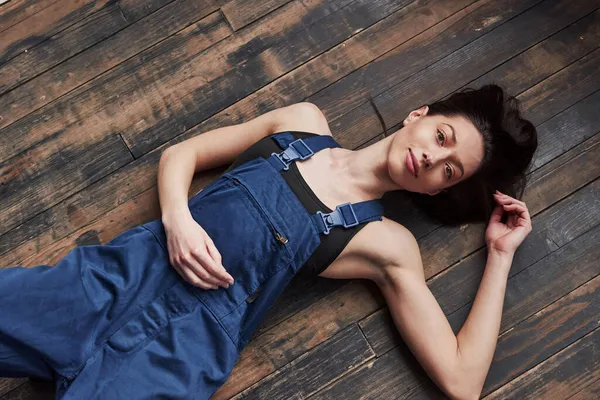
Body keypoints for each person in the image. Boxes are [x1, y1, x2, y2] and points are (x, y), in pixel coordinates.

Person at [0, 84, 537, 399]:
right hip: (121, 276)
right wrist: (178, 220)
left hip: (176, 353)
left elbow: (463, 380)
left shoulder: (387, 244)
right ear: (418, 116)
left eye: (450, 171)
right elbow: (180, 157)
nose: (433, 159)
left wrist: (499, 255)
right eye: (441, 138)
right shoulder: (301, 124)